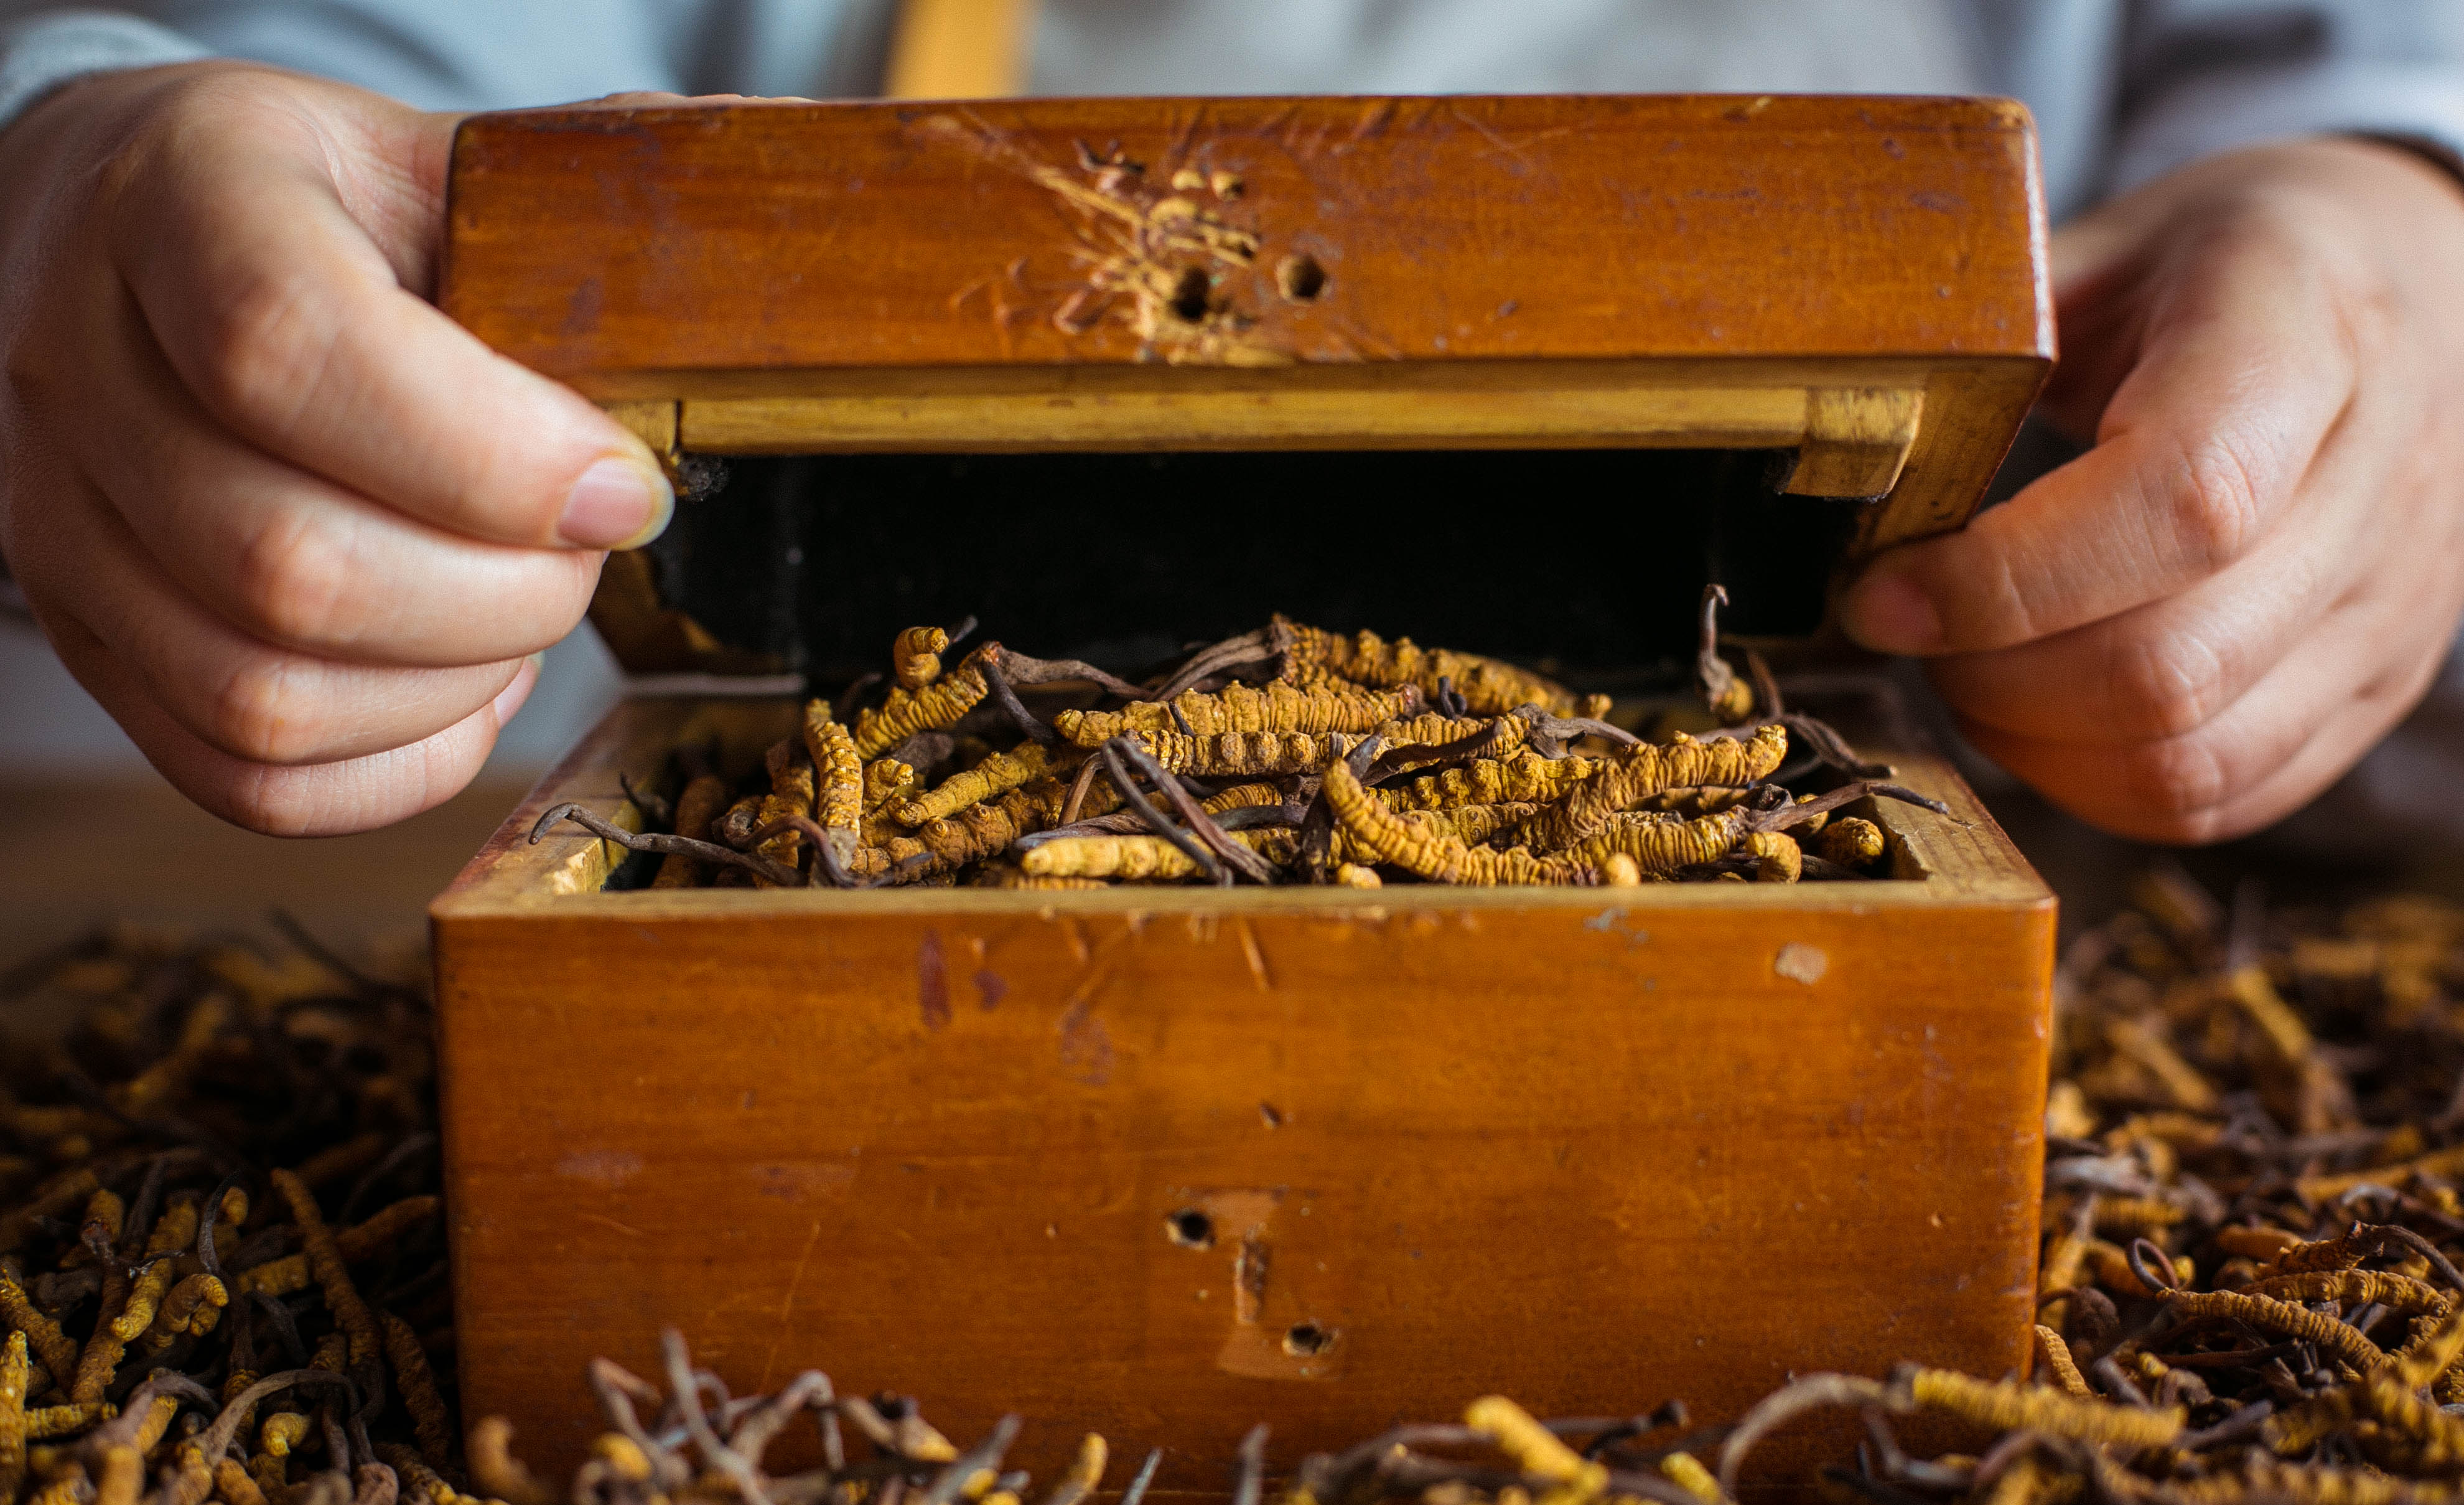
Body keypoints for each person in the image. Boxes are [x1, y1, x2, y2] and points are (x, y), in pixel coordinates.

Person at [2, 1, 2462, 844]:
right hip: (785, 671)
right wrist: (85, 174)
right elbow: (317, 108)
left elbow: (2374, 92)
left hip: (1944, 705)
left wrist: (2404, 208)